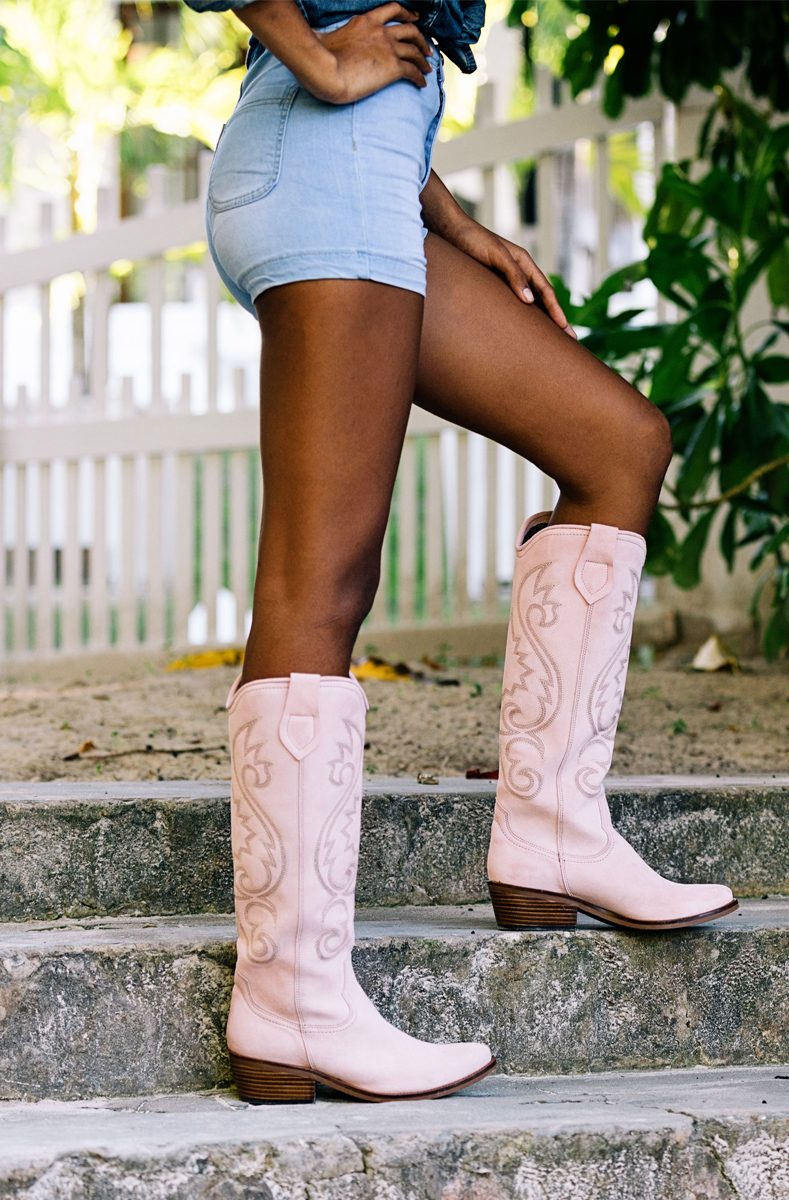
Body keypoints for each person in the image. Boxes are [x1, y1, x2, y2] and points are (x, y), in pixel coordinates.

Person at [184, 0, 737, 1105]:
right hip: (320, 157)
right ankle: (291, 1002)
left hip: (373, 173)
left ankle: (554, 835)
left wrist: (449, 214)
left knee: (620, 444)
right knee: (324, 577)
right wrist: (317, 58)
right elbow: (349, 51)